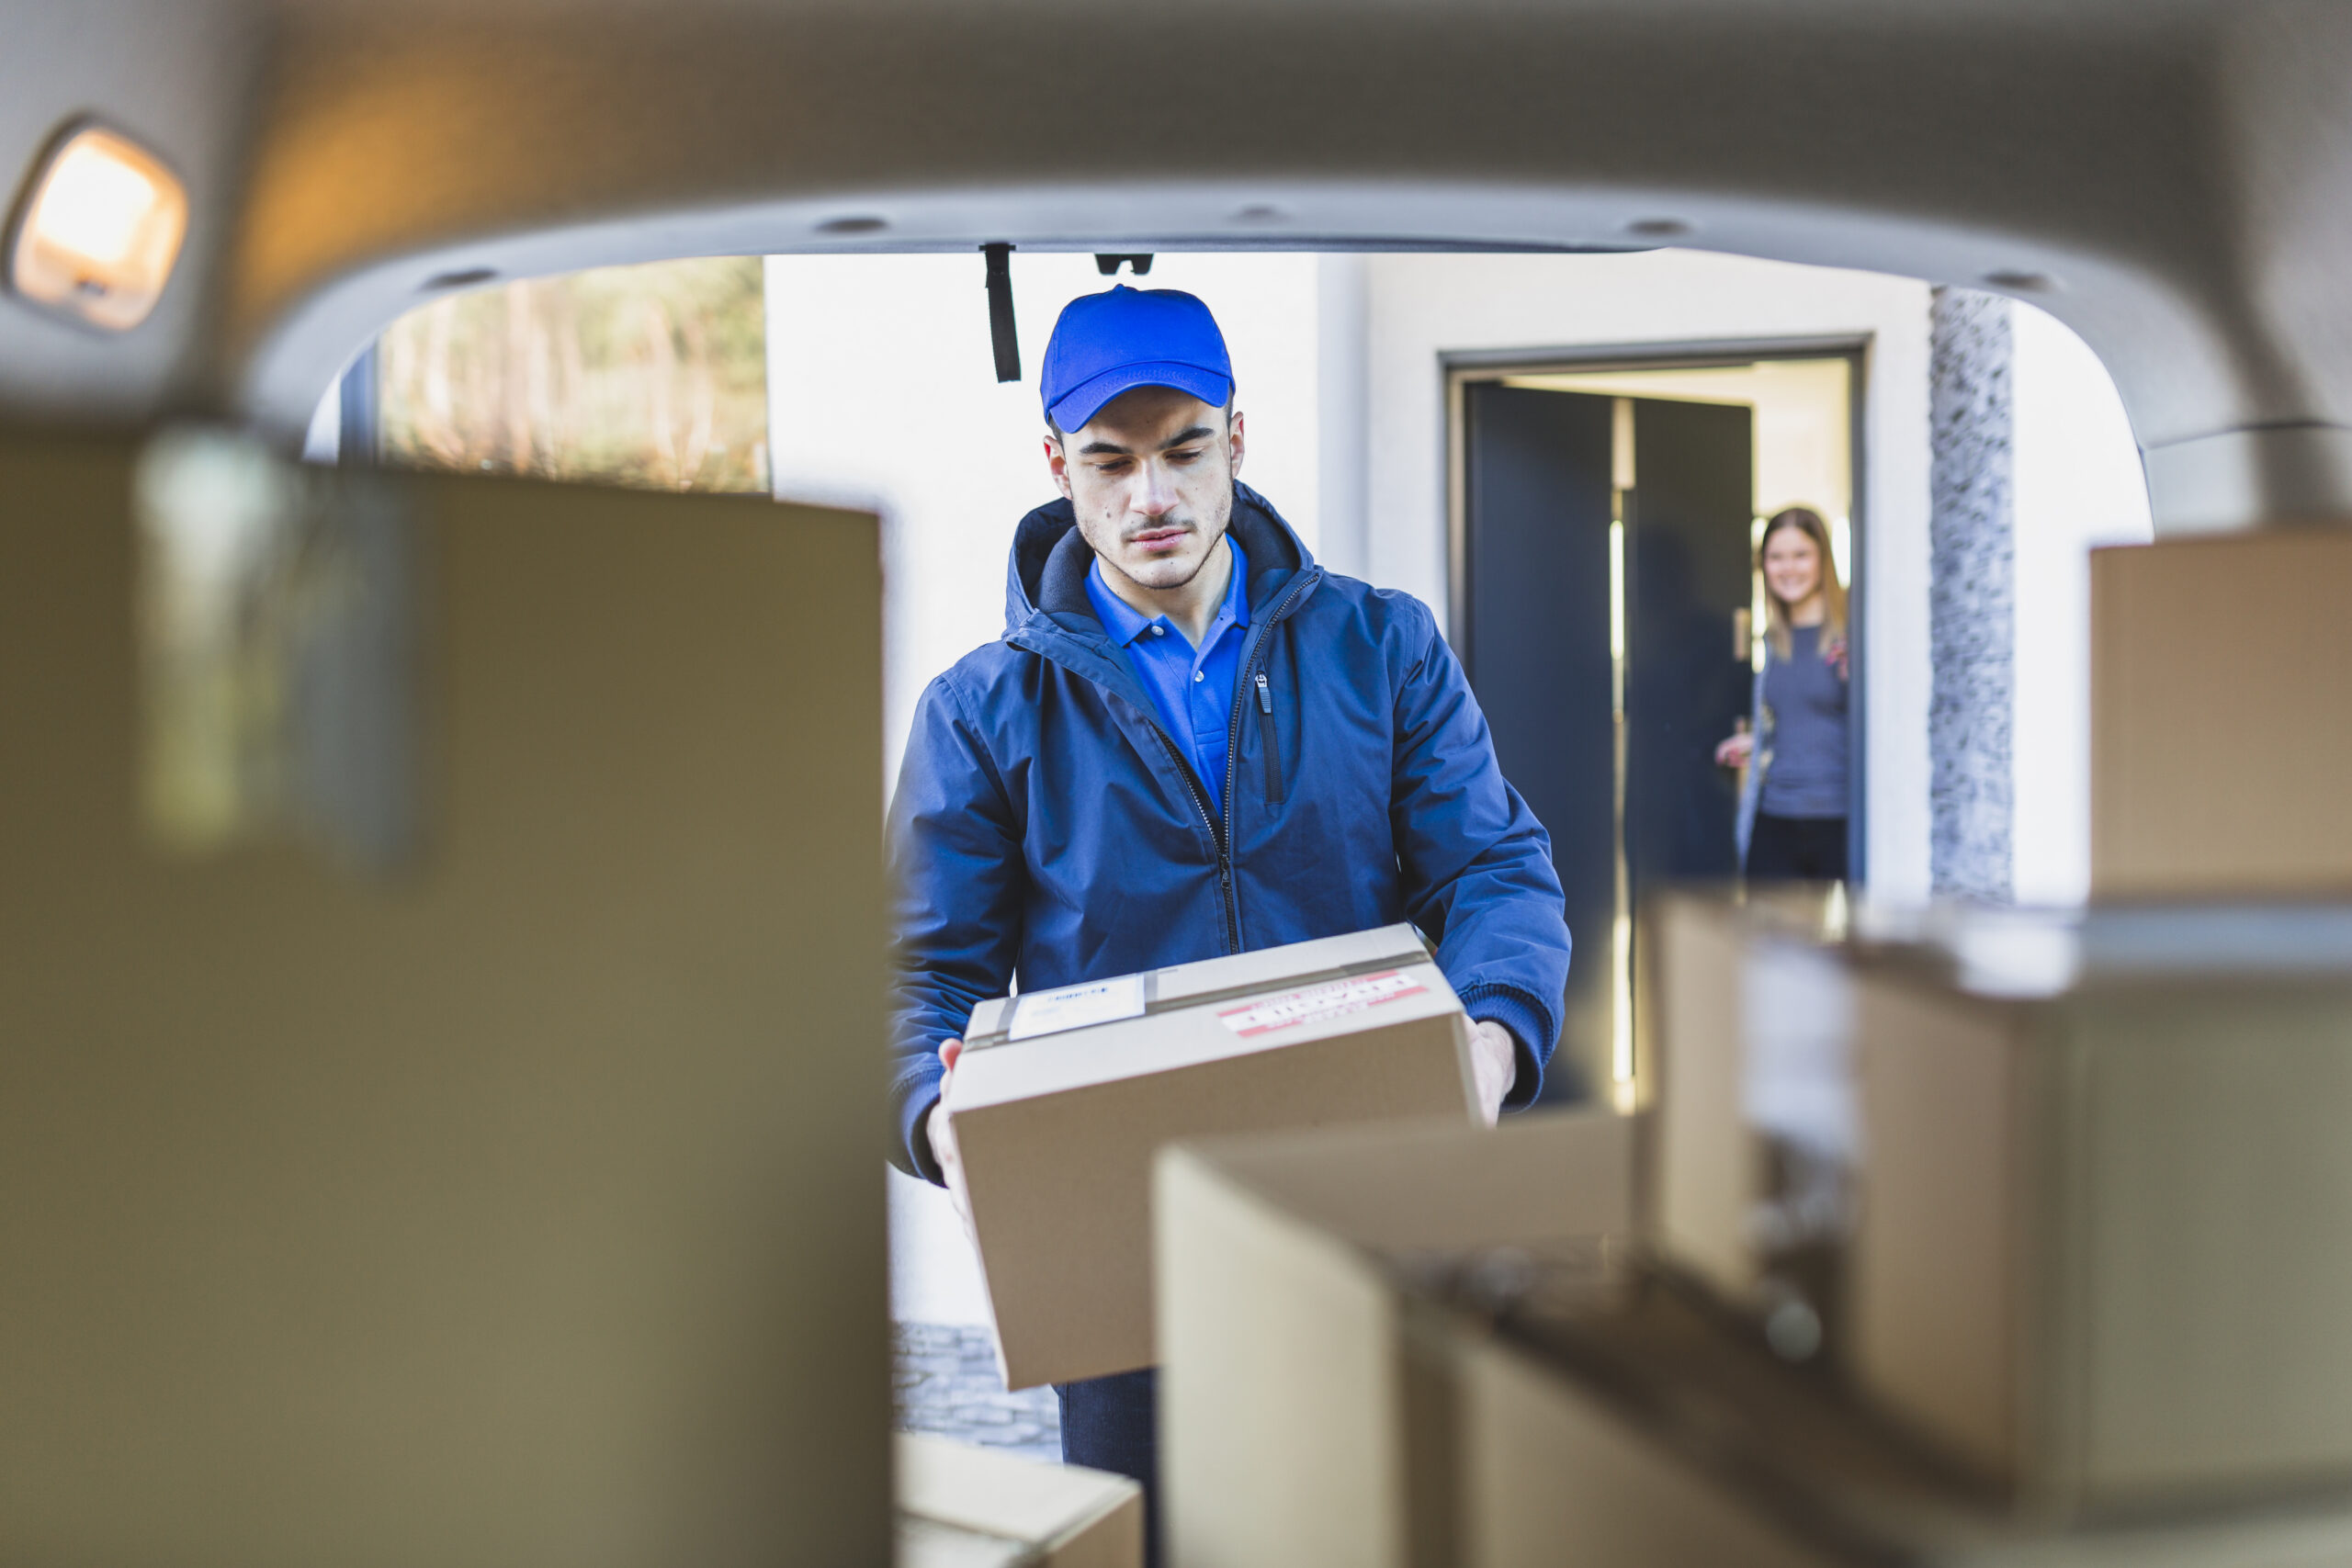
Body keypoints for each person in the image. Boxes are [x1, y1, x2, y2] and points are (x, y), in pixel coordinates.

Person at [885, 284, 1572, 1559]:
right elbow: (913, 979)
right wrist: (943, 1126)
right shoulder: (983, 712)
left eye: (1185, 448)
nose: (1153, 494)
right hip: (1121, 1251)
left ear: (1238, 440)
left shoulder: (1382, 647)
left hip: (1365, 1211)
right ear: (1058, 465)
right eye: (1112, 460)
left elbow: (1497, 870)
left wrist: (1488, 1047)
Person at [1715, 505, 1851, 881]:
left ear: (1822, 559)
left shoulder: (1853, 635)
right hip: (1775, 819)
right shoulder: (1774, 641)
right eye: (1776, 557)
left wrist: (1857, 678)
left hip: (1838, 821)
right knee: (1769, 939)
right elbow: (1798, 719)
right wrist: (1754, 740)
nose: (1788, 568)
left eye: (1800, 555)